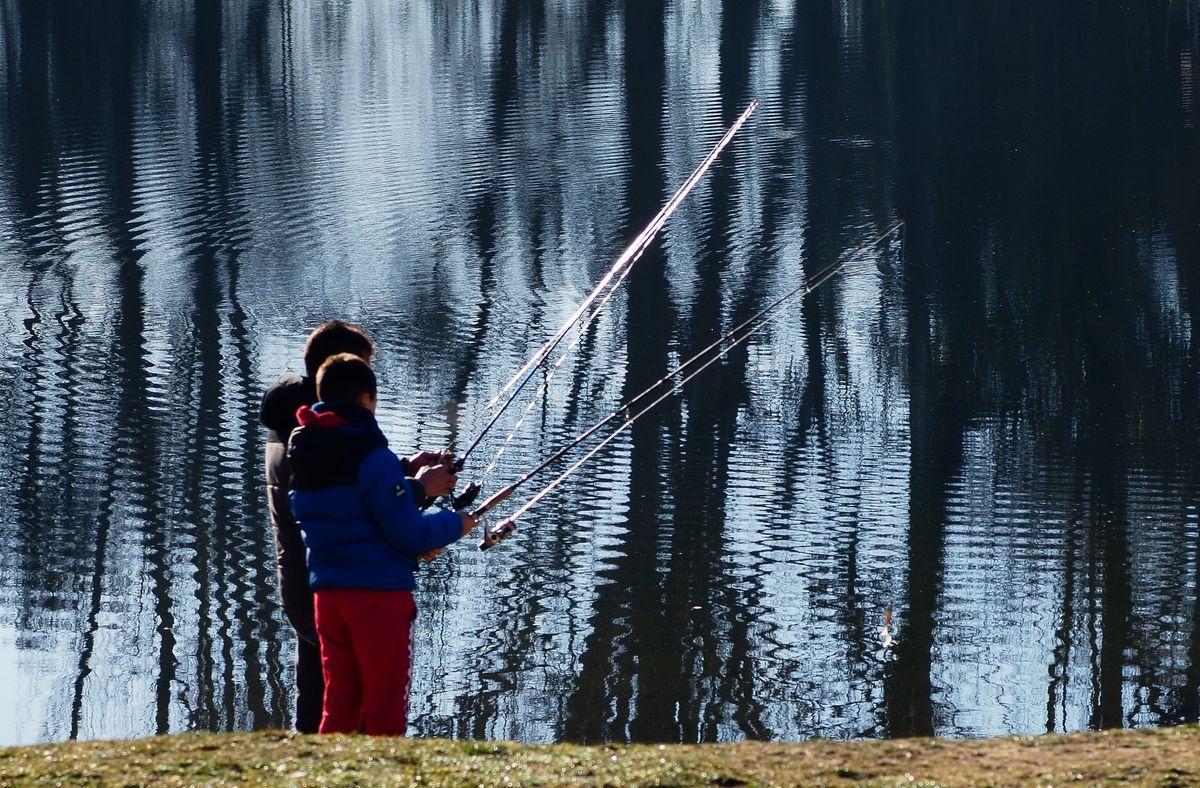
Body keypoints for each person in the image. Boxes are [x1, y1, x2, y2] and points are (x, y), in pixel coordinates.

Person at [260, 321, 455, 733]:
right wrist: (419, 491)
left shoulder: (302, 437)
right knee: (358, 704)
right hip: (354, 586)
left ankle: (320, 768)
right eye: (362, 369)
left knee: (332, 703)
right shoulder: (316, 443)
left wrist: (403, 472)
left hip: (318, 583)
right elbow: (359, 505)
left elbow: (343, 485)